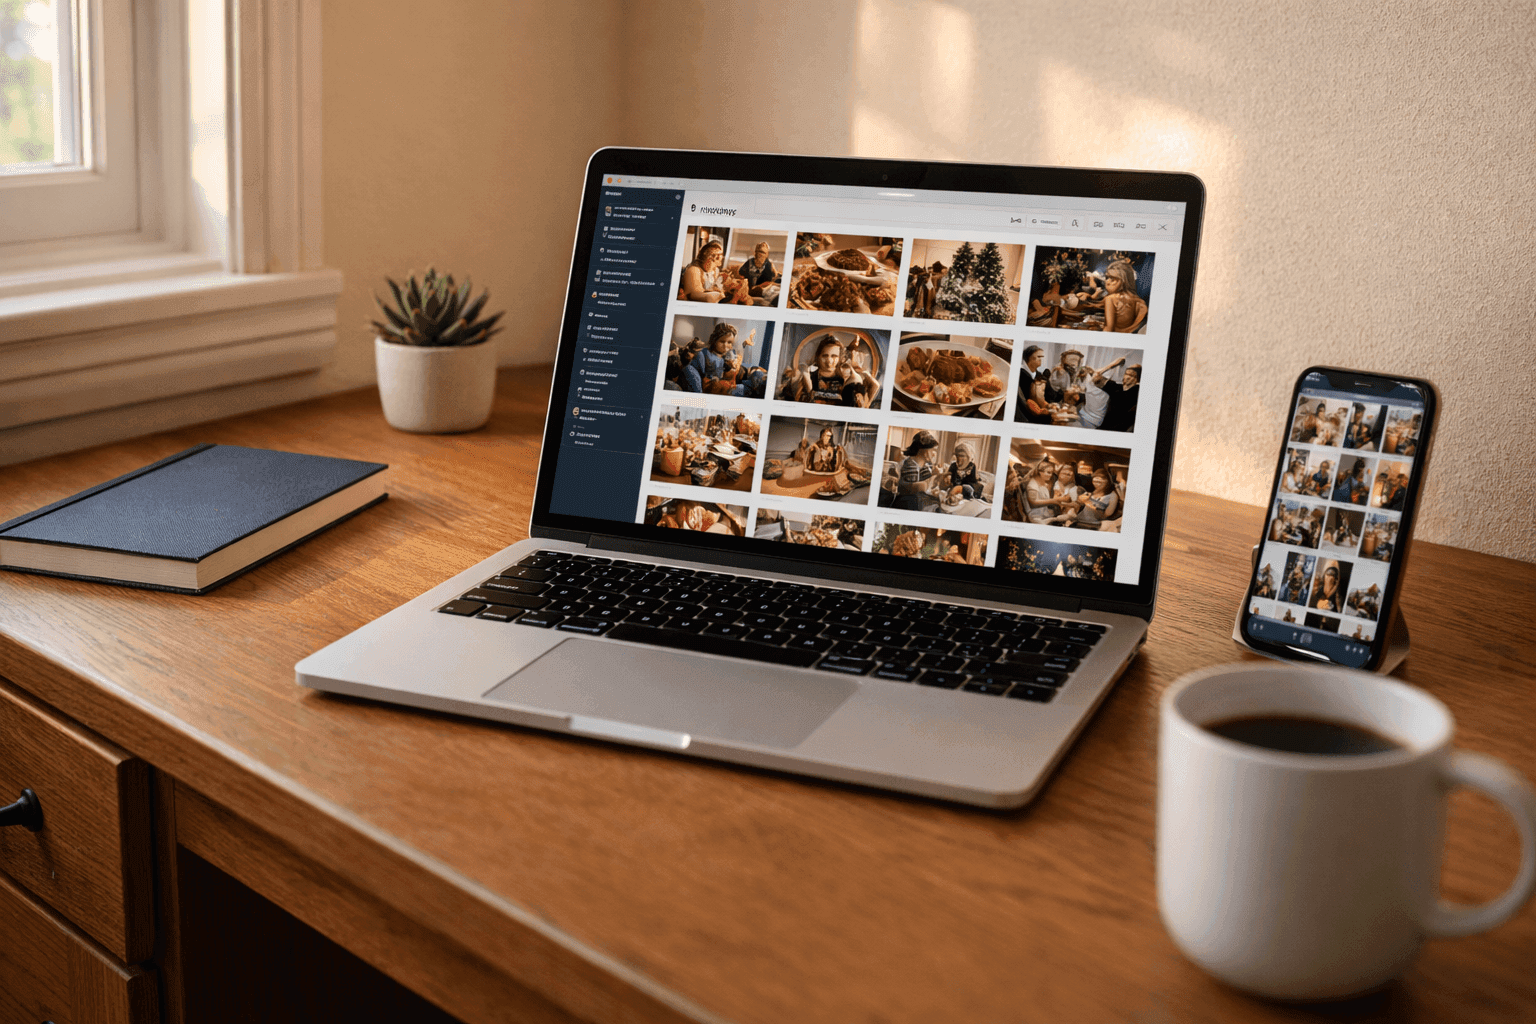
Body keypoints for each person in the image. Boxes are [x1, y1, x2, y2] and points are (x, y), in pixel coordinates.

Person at [781, 336, 878, 407]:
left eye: (834, 356)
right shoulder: (806, 378)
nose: (829, 361)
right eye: (825, 356)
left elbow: (865, 401)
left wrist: (864, 373)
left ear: (839, 358)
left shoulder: (849, 381)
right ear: (818, 357)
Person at [892, 430, 940, 511]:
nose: (934, 454)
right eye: (932, 450)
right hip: (907, 504)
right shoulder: (909, 464)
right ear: (924, 450)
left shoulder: (924, 466)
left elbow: (927, 488)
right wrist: (933, 476)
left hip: (917, 501)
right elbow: (917, 489)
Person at [1101, 260, 1147, 333]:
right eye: (1107, 278)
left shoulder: (1110, 299)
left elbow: (1108, 329)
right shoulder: (1136, 299)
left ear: (1123, 281)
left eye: (1112, 279)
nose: (1107, 282)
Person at [1098, 361, 1140, 432]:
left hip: (1117, 430)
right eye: (1126, 373)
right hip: (1106, 426)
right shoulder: (1119, 388)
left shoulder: (1135, 390)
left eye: (1132, 375)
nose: (1127, 377)